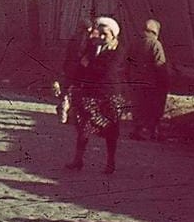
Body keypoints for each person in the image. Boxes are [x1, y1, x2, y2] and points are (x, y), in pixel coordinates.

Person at [67, 16, 129, 174]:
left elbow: (108, 72)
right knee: (84, 127)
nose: (101, 37)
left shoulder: (119, 51)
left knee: (111, 131)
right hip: (91, 95)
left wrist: (90, 65)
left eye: (105, 34)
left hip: (110, 97)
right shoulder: (92, 47)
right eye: (99, 33)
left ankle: (110, 162)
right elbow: (81, 67)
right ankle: (78, 160)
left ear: (113, 35)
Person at [131, 19, 171, 140]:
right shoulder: (155, 44)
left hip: (136, 82)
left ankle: (138, 130)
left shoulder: (134, 43)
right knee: (153, 107)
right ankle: (151, 132)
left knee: (139, 107)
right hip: (152, 84)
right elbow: (160, 65)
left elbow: (127, 62)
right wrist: (165, 82)